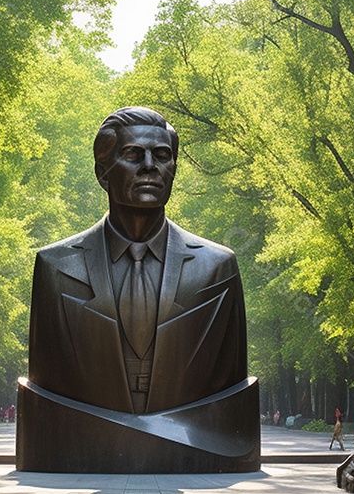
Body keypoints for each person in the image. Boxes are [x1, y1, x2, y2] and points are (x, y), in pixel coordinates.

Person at [23, 107, 247, 417]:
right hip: (84, 444)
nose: (149, 167)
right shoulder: (55, 266)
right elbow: (47, 380)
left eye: (162, 156)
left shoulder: (216, 268)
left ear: (174, 169)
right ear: (103, 172)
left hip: (193, 447)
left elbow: (230, 384)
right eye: (133, 155)